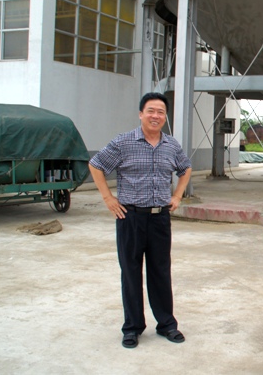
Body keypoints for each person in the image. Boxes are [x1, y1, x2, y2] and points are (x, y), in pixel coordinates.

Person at [89, 92, 192, 349]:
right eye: (151, 111)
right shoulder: (123, 142)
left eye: (160, 112)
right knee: (131, 272)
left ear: (165, 117)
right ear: (141, 114)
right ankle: (133, 327)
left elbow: (185, 168)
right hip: (130, 217)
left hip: (160, 218)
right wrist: (108, 198)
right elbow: (96, 164)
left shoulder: (171, 145)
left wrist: (177, 195)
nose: (155, 116)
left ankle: (167, 324)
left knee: (160, 272)